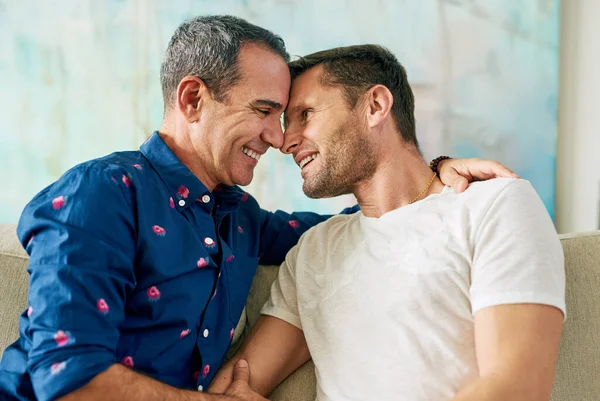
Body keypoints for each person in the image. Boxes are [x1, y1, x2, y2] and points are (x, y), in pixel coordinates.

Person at [0, 16, 516, 401]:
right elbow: (66, 377)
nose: (278, 138)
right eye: (265, 111)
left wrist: (438, 173)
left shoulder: (239, 219)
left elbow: (370, 223)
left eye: (289, 117)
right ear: (193, 99)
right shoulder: (102, 194)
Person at [209, 44, 565, 401]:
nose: (286, 142)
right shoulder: (314, 250)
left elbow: (516, 388)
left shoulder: (493, 206)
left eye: (306, 114)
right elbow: (241, 383)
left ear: (376, 106)